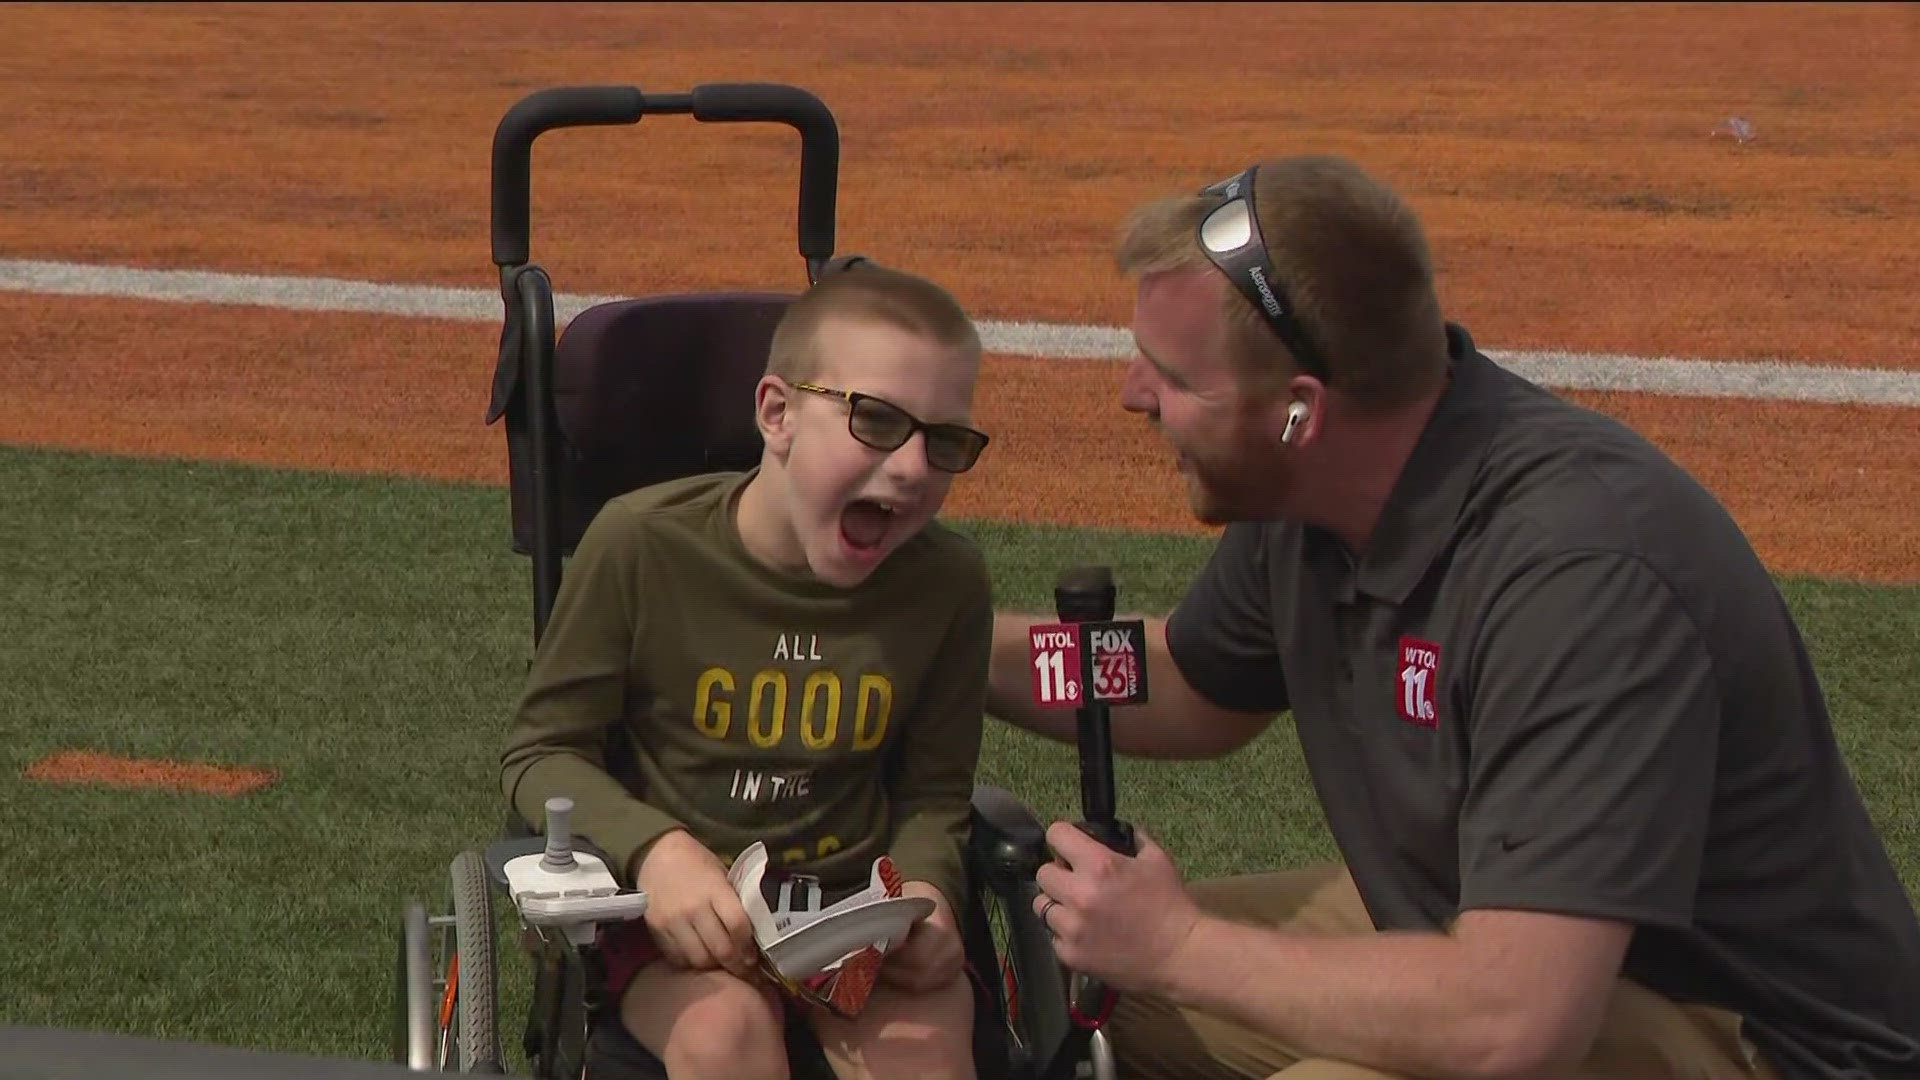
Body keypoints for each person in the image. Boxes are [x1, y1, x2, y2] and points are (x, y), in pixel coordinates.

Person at [984, 155, 1920, 1080]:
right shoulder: (1317, 499)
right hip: (1503, 935)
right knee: (1091, 978)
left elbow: (1514, 1021)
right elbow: (1190, 681)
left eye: (1172, 375)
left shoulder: (1577, 579)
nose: (1132, 395)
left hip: (1743, 1035)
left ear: (1298, 413)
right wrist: (948, 646)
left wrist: (1182, 944)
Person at [500, 259, 995, 1080]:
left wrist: (930, 894)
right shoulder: (641, 546)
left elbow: (935, 797)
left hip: (859, 913)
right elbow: (540, 751)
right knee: (724, 1040)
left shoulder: (946, 585)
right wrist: (656, 851)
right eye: (875, 420)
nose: (912, 466)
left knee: (926, 1059)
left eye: (944, 441)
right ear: (777, 414)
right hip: (686, 929)